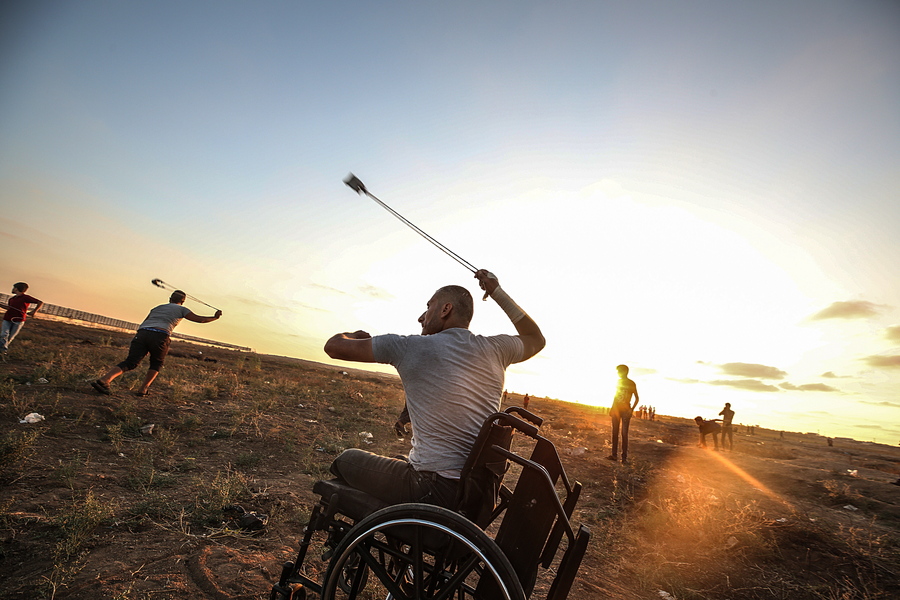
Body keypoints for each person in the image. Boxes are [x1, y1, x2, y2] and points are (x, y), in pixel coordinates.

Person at [323, 269, 544, 509]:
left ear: (445, 310)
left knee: (346, 460)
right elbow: (536, 338)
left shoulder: (409, 347)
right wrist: (497, 292)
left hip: (429, 488)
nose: (421, 317)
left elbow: (334, 347)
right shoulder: (497, 349)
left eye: (428, 306)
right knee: (397, 461)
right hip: (473, 495)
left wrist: (354, 335)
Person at [91, 290, 222, 396]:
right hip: (160, 335)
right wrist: (215, 317)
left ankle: (105, 379)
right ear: (182, 301)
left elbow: (146, 321)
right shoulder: (182, 309)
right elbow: (200, 320)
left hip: (142, 333)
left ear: (170, 299)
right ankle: (143, 389)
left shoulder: (157, 308)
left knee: (131, 362)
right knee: (157, 363)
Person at [1, 282, 44, 356]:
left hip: (19, 320)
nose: (12, 289)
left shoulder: (25, 297)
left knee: (10, 338)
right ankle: (3, 352)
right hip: (7, 319)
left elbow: (40, 302)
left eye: (14, 287)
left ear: (17, 289)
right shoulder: (12, 299)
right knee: (4, 335)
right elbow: (9, 308)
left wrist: (34, 312)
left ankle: (2, 352)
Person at [607, 364, 639, 463]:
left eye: (619, 371)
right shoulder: (618, 382)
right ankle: (614, 455)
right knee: (614, 432)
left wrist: (631, 409)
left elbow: (637, 398)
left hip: (626, 411)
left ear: (624, 371)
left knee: (624, 434)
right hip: (617, 410)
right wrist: (612, 408)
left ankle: (624, 458)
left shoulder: (631, 383)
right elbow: (616, 396)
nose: (618, 373)